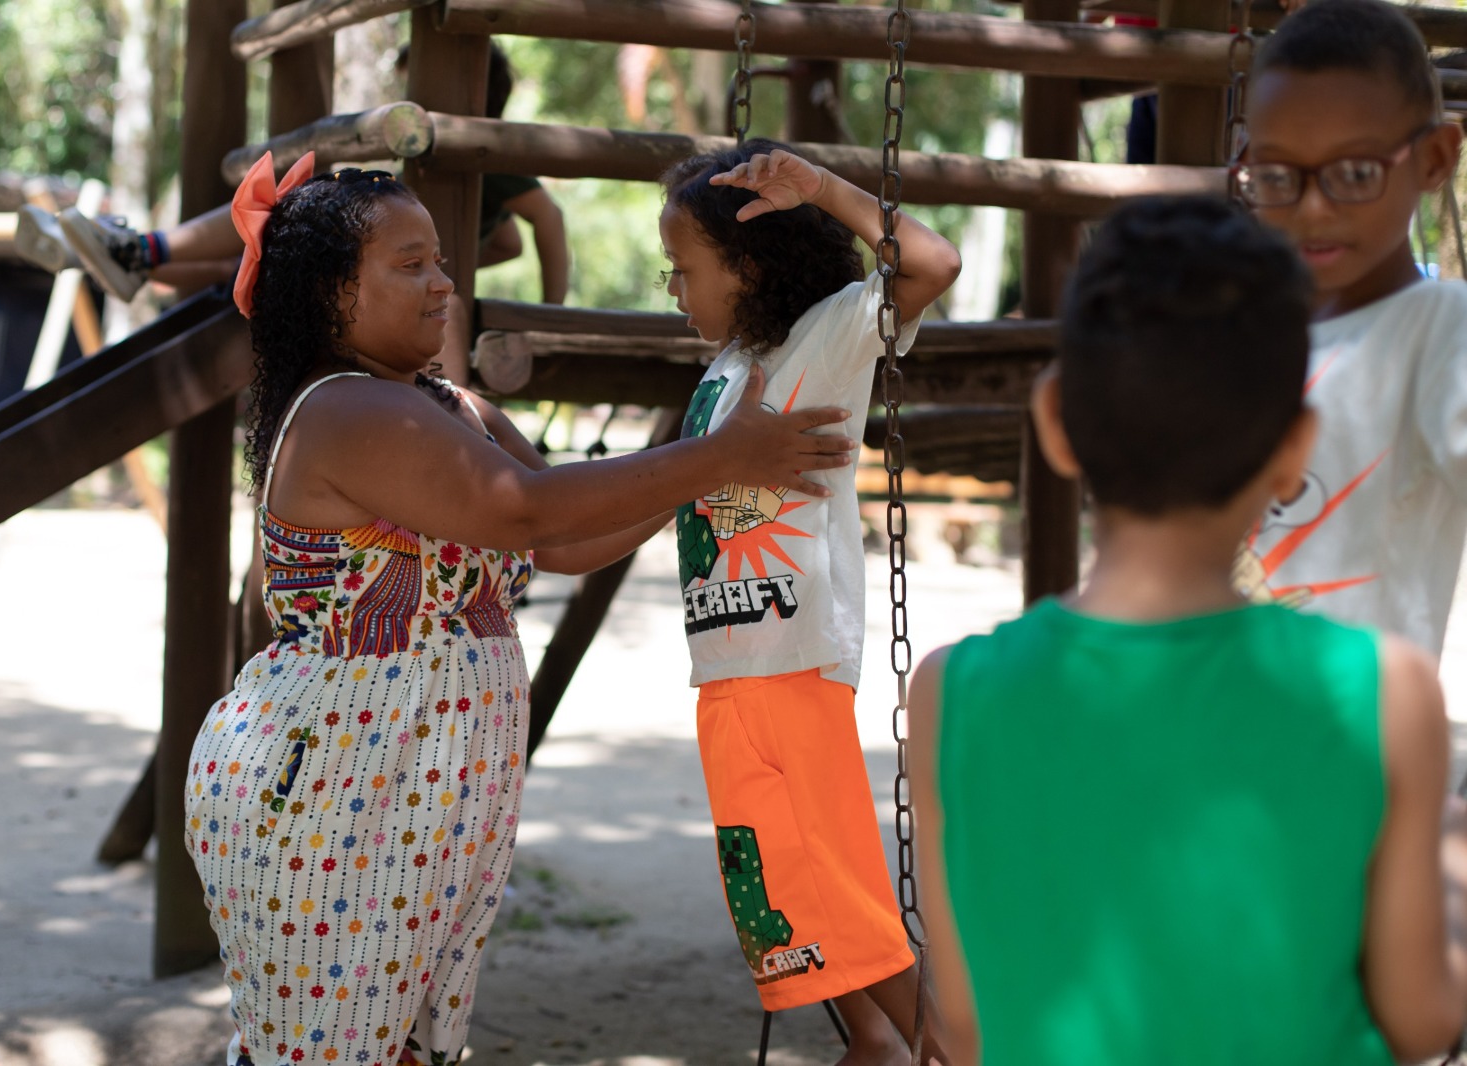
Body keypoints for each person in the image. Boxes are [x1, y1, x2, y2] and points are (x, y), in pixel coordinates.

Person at [183, 151, 857, 1066]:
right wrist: (717, 457)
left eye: (441, 261)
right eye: (409, 264)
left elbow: (565, 542)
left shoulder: (448, 407)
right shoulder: (346, 412)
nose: (442, 282)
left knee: (400, 1048)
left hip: (419, 796)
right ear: (334, 294)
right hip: (333, 793)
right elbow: (524, 509)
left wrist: (711, 454)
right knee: (328, 1050)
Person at [908, 195, 1467, 1065]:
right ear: (1295, 450)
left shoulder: (952, 694)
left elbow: (969, 1031)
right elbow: (1421, 1020)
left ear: (1054, 422)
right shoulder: (1384, 694)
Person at [654, 139, 960, 1064]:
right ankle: (873, 1038)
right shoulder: (724, 366)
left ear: (747, 269)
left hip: (790, 664)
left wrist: (824, 190)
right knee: (788, 904)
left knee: (844, 897)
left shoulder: (824, 337)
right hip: (729, 672)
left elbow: (932, 262)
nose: (674, 289)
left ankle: (930, 1047)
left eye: (685, 269)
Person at [13, 41, 566, 382]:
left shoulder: (479, 149)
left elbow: (549, 221)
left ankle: (138, 251)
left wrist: (551, 314)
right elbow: (512, 243)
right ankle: (113, 258)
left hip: (363, 291)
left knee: (268, 215)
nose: (404, 96)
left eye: (409, 84)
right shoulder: (457, 168)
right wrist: (465, 254)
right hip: (352, 280)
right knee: (250, 258)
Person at [1232, 0, 1467, 656]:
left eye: (1355, 173)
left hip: (1347, 744)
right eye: (1278, 175)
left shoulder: (1442, 333)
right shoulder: (1238, 336)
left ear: (1435, 158)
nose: (1313, 207)